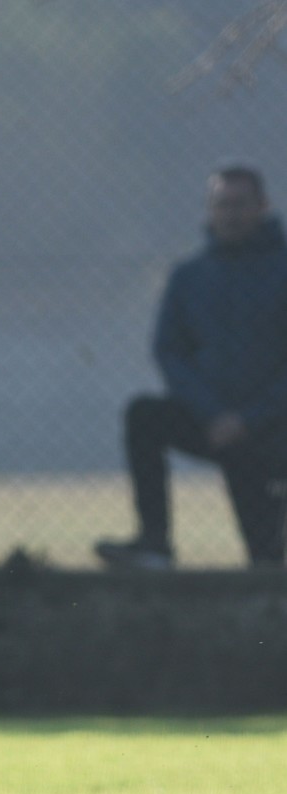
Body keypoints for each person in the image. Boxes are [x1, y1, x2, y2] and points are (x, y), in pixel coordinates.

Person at [95, 165, 287, 570]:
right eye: (222, 204)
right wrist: (213, 413)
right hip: (212, 425)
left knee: (265, 563)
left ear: (263, 207)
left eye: (240, 204)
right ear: (209, 210)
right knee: (144, 415)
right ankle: (154, 545)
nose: (231, 214)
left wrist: (249, 419)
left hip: (271, 435)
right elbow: (169, 352)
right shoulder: (189, 277)